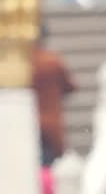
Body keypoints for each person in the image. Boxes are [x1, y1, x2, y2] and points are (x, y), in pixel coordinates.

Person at [32, 24, 77, 169]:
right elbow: (70, 86)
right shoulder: (53, 61)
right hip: (51, 124)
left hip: (30, 121)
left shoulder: (24, 64)